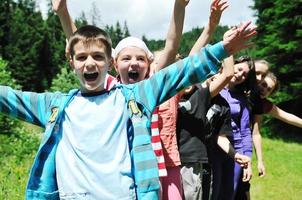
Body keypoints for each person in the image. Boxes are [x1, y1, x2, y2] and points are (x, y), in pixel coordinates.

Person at [1, 15, 257, 199]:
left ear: (108, 63)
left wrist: (224, 49)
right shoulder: (57, 105)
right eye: (81, 57)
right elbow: (11, 98)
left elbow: (181, 72)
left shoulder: (134, 97)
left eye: (98, 57)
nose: (90, 63)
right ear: (71, 62)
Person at [211, 55, 256, 200]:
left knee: (229, 194)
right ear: (232, 64)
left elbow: (245, 132)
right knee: (213, 193)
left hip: (237, 151)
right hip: (213, 149)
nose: (240, 75)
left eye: (245, 75)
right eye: (239, 69)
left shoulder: (241, 98)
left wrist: (247, 160)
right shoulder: (213, 87)